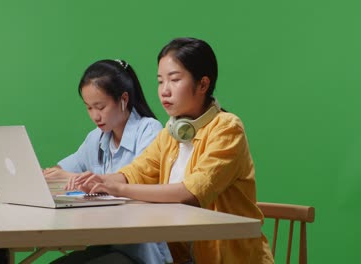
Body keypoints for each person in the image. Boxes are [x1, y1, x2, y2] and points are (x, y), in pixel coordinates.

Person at [70, 38, 275, 264]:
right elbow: (136, 172)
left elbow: (191, 192)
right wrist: (97, 181)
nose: (164, 91)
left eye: (174, 80)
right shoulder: (171, 133)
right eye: (160, 81)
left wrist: (118, 188)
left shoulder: (227, 128)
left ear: (203, 85)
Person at [45, 59, 173, 264]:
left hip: (141, 251)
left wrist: (72, 178)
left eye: (100, 106)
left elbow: (142, 186)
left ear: (123, 99)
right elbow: (65, 168)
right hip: (110, 244)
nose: (95, 116)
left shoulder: (150, 130)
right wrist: (48, 174)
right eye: (89, 108)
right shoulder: (97, 137)